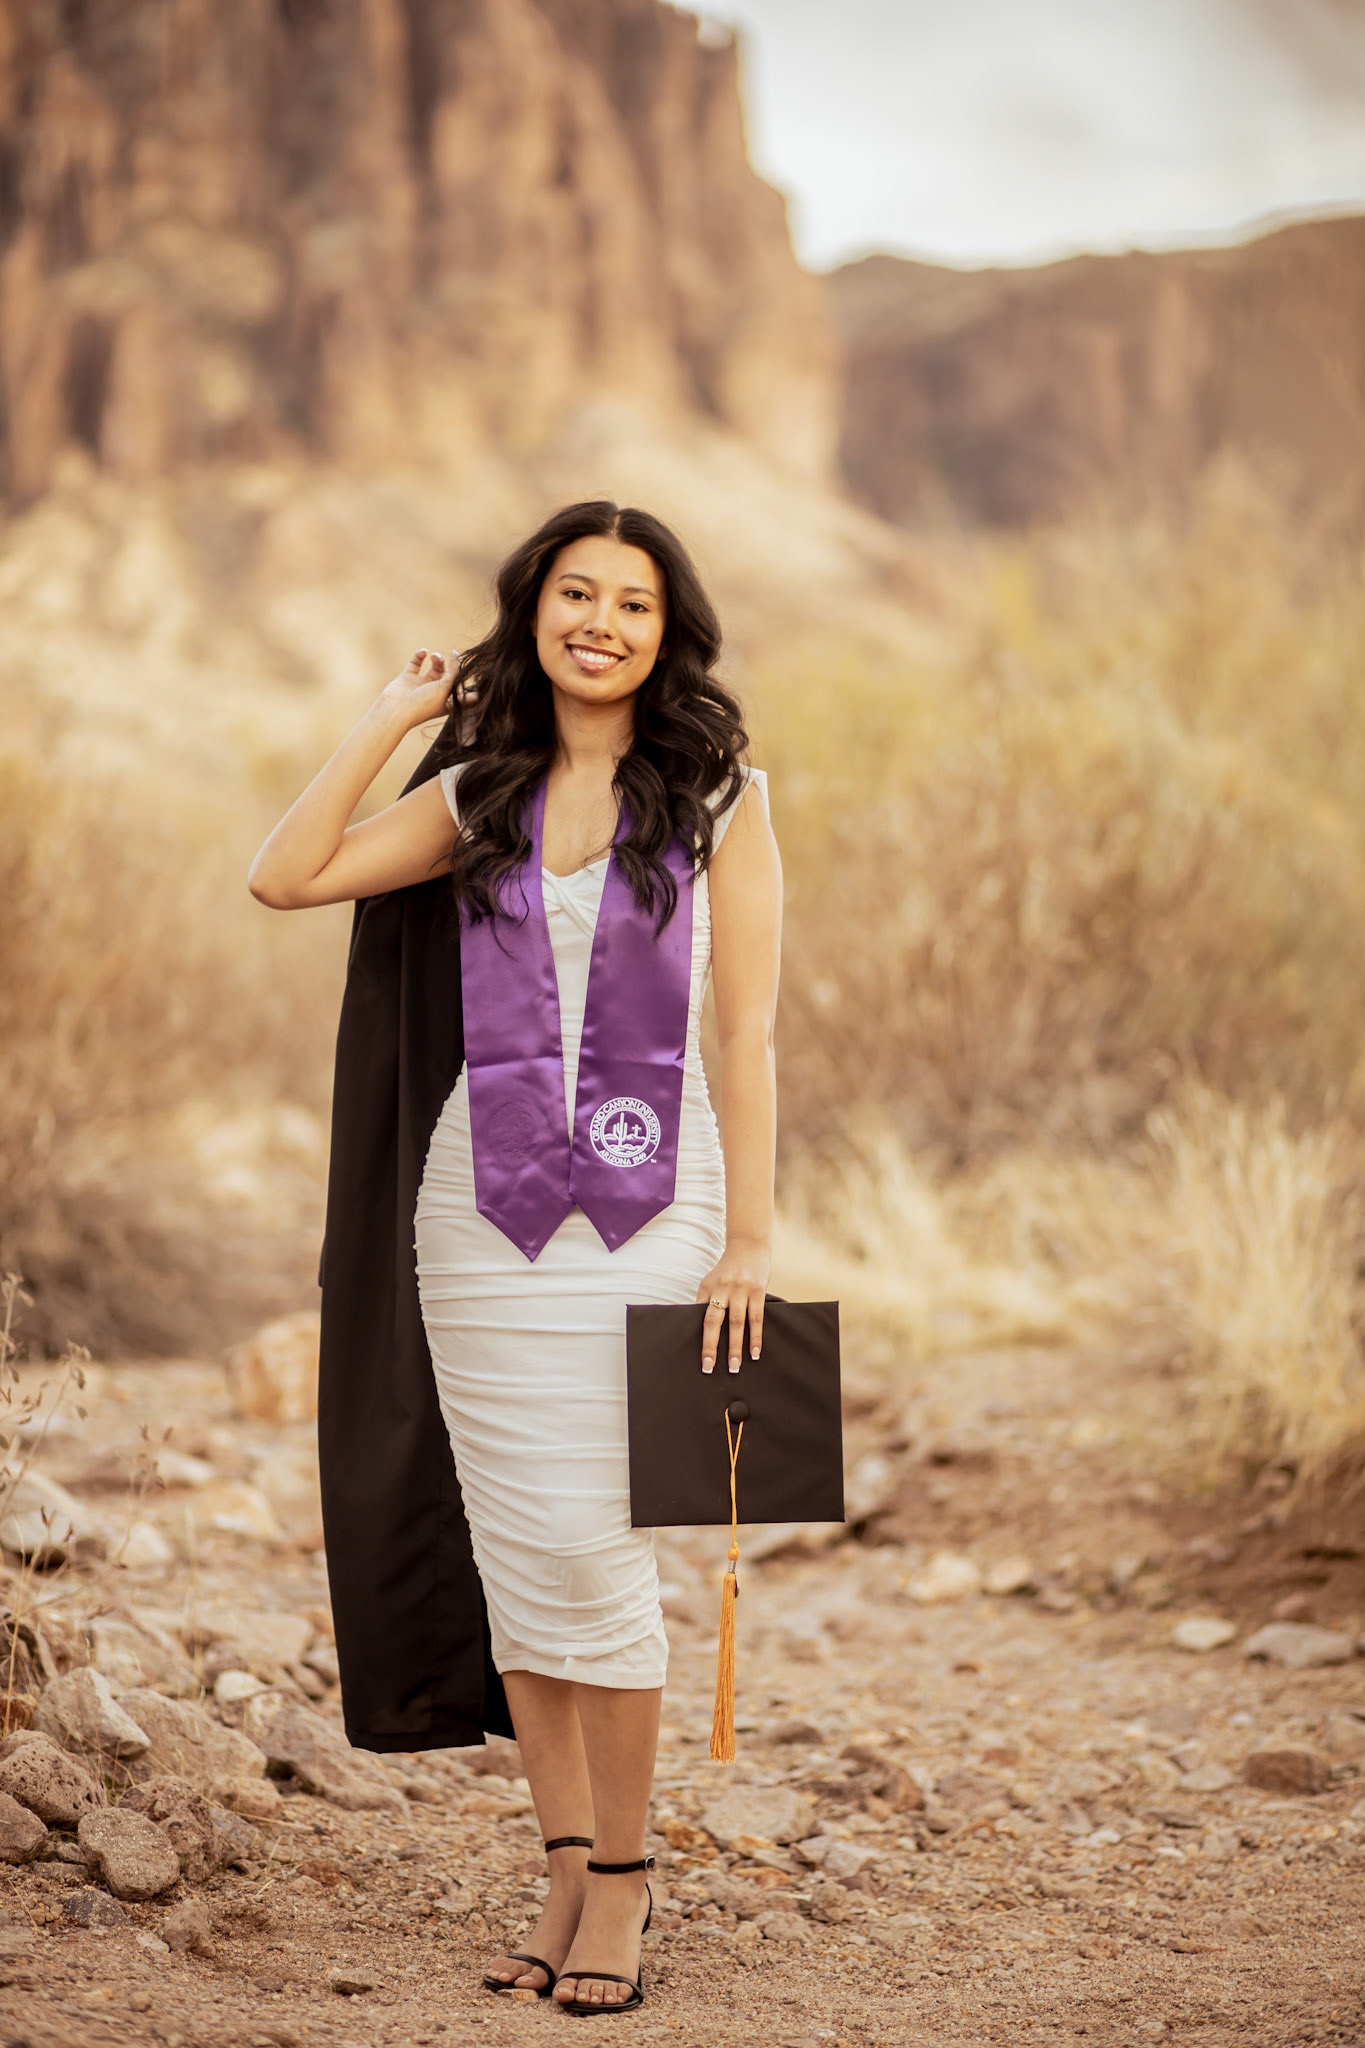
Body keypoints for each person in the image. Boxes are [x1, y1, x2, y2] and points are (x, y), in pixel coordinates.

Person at [248, 498, 783, 2014]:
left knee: (597, 1543)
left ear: (668, 631)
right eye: (575, 594)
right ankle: (560, 1865)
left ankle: (623, 1879)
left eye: (633, 602)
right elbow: (287, 877)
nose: (601, 623)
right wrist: (391, 717)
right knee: (514, 1549)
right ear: (532, 610)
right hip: (476, 1213)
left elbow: (744, 1031)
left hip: (654, 1205)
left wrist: (750, 1237)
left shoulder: (722, 796)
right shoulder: (477, 792)